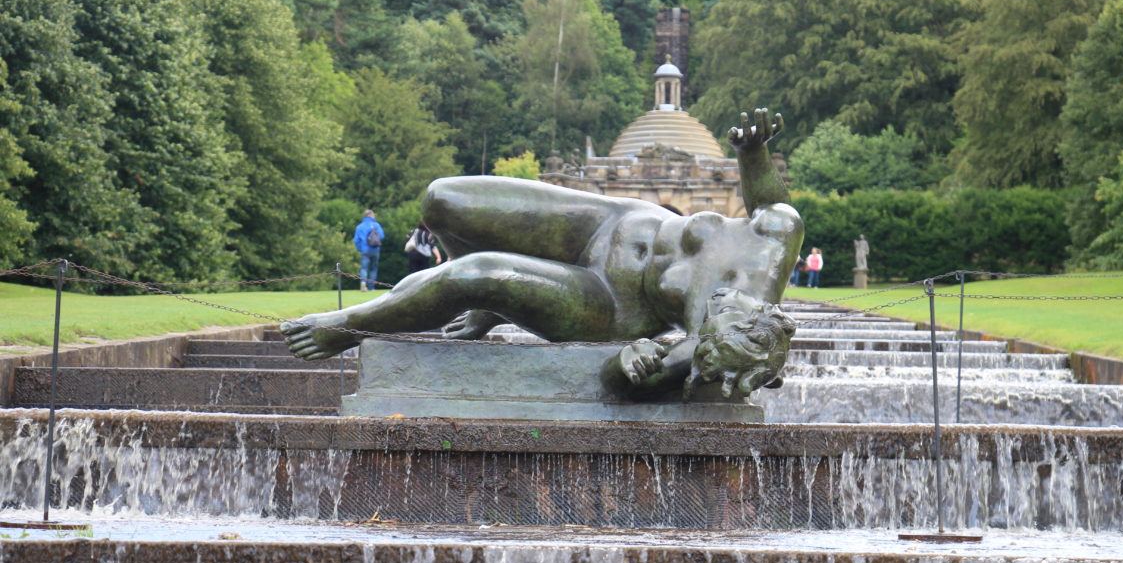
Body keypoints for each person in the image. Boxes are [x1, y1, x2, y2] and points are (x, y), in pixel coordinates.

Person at [283, 109, 804, 400]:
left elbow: (627, 377)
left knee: (479, 273)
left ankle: (347, 325)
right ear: (764, 315)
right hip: (612, 220)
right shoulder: (776, 237)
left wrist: (631, 363)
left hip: (610, 304)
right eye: (725, 327)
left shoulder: (704, 350)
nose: (711, 330)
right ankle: (487, 302)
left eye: (711, 341)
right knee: (443, 199)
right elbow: (771, 198)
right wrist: (752, 153)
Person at [354, 210, 385, 291]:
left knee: (364, 268)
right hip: (375, 249)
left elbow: (356, 240)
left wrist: (360, 248)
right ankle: (371, 287)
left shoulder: (359, 226)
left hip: (364, 250)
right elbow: (381, 236)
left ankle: (363, 283)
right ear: (371, 216)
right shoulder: (376, 225)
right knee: (373, 268)